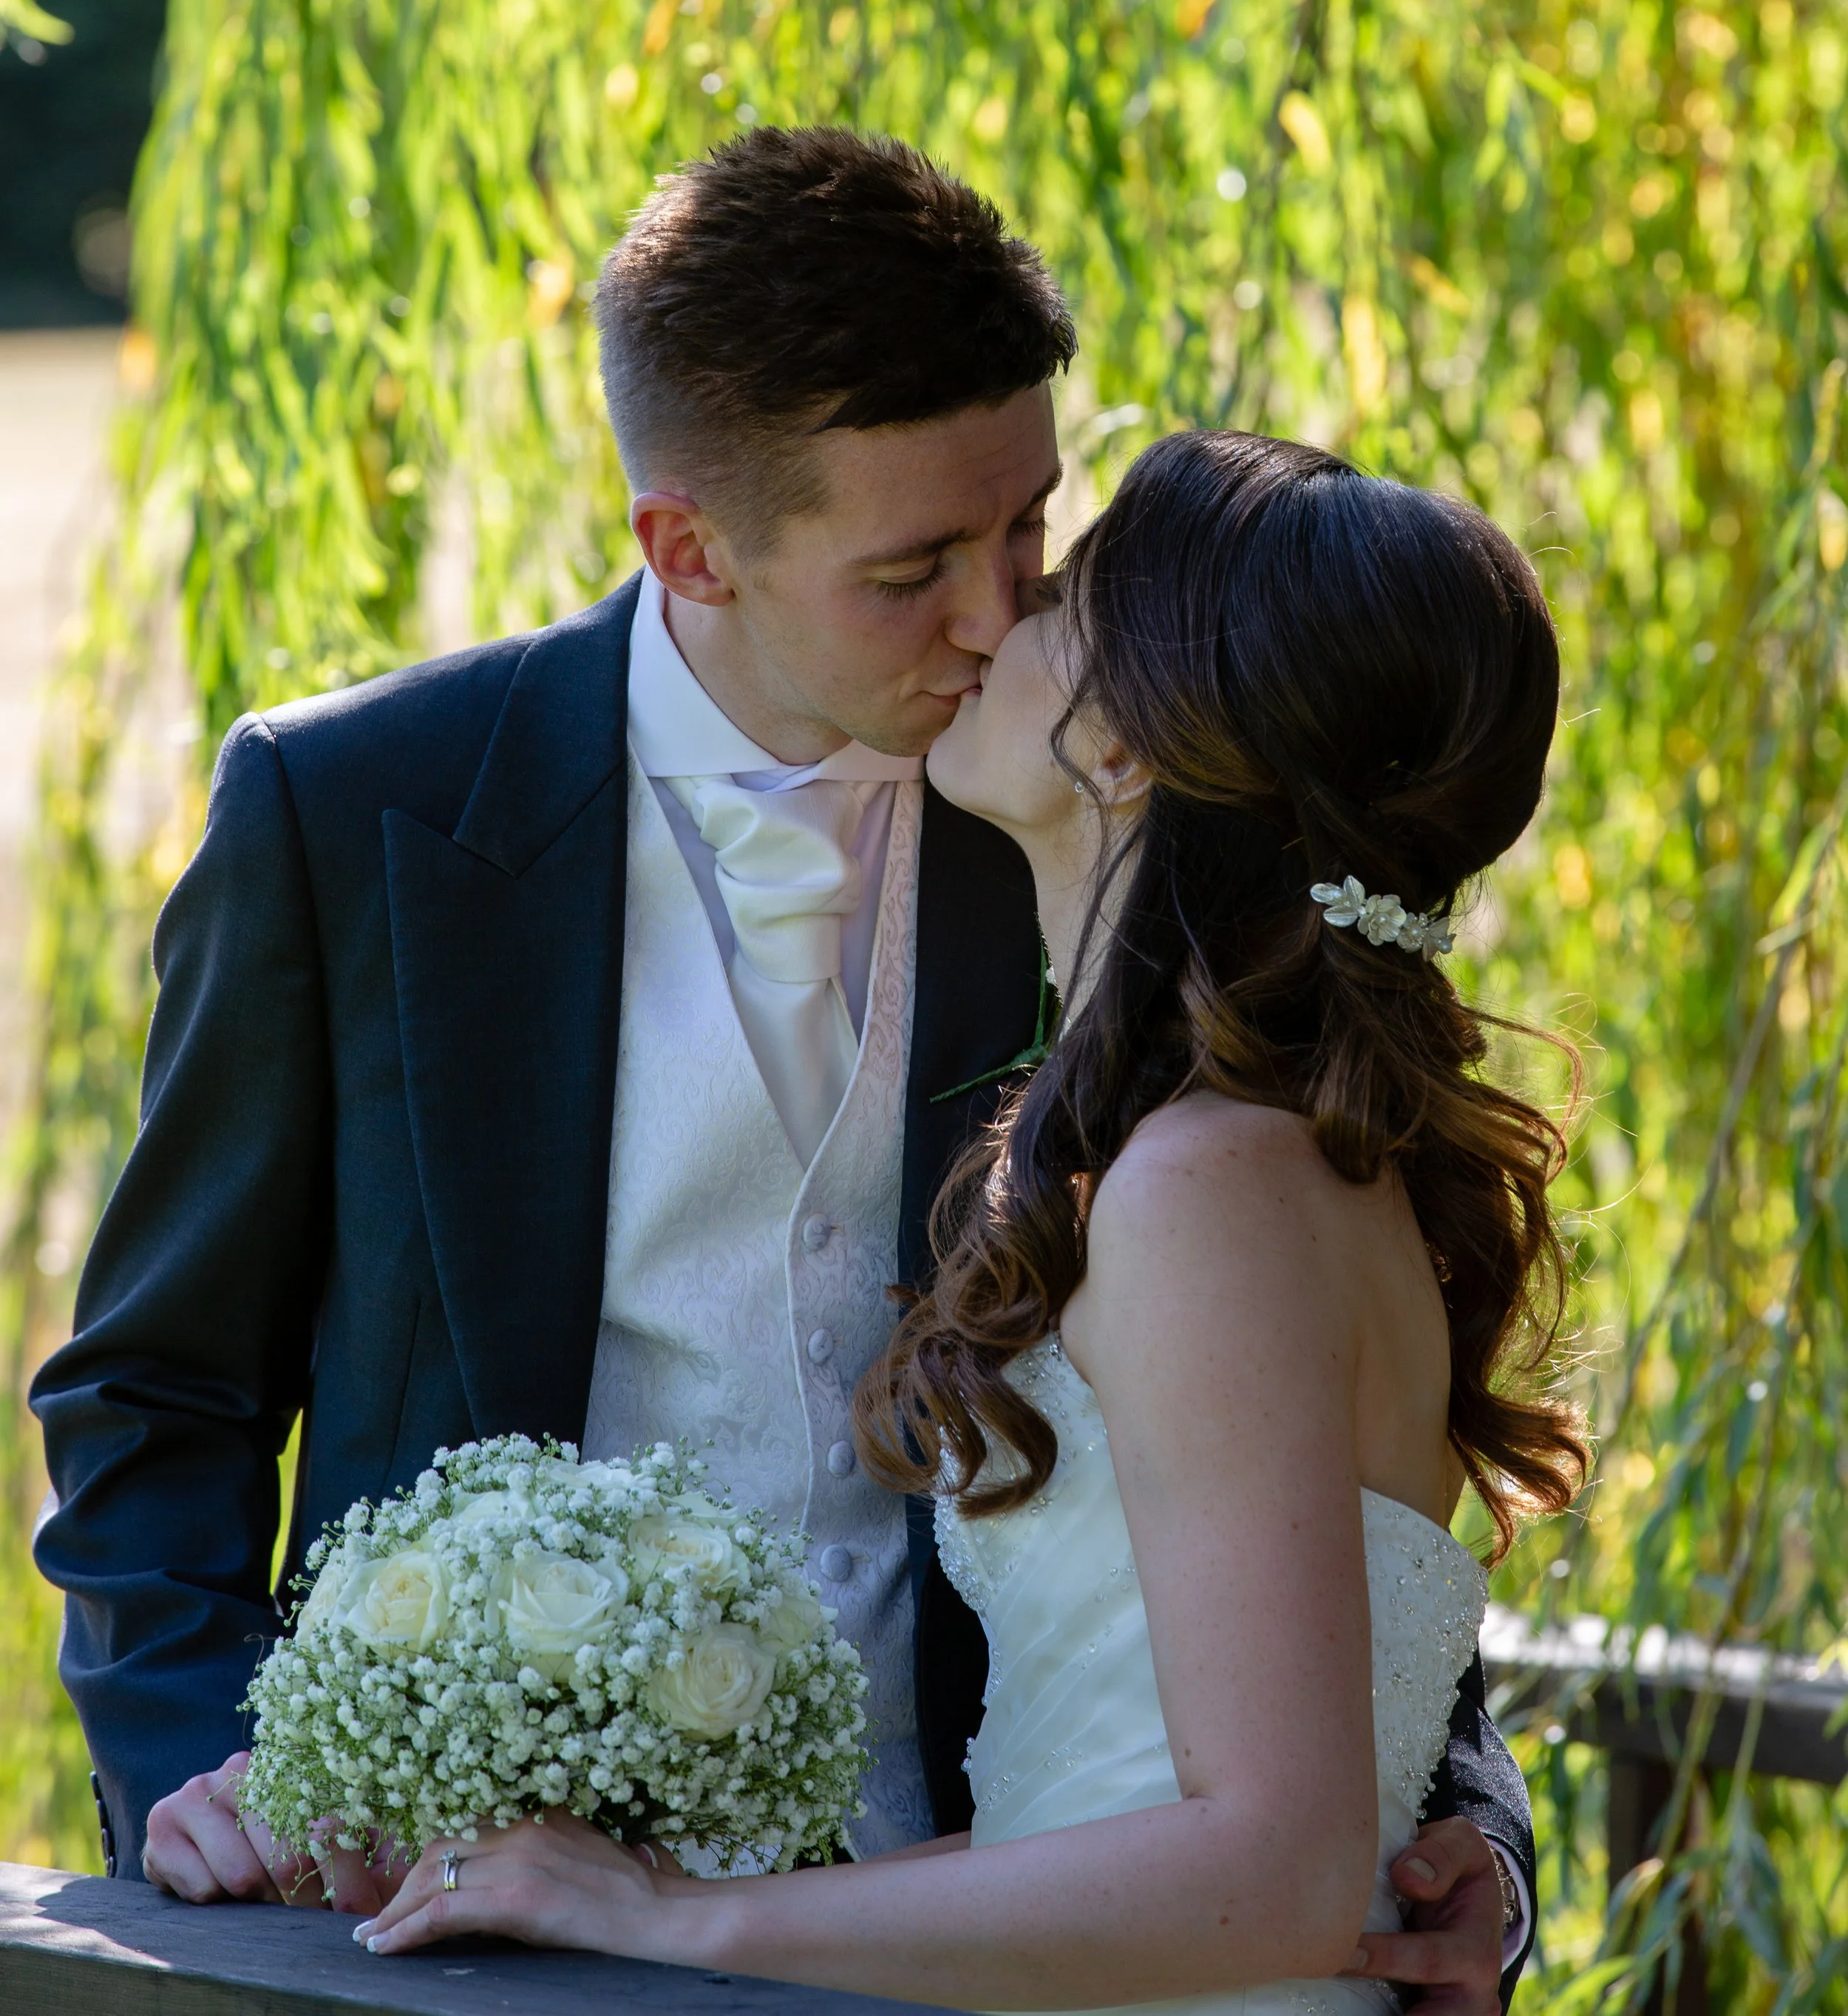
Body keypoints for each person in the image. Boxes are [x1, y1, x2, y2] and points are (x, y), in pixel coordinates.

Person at [32, 133, 1533, 2009]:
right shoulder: (356, 818)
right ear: (691, 548)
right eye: (914, 568)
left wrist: (1455, 1822)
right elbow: (154, 1395)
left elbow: (1298, 1474)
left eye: (1028, 529)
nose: (997, 614)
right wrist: (213, 1778)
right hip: (474, 1945)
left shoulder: (1093, 811)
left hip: (1025, 1931)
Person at [354, 429, 1586, 2009]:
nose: (997, 620)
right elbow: (1090, 1813)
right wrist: (648, 1896)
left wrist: (675, 1923)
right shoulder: (1256, 1159)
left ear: (1127, 744)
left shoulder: (1207, 1190)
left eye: (1061, 591)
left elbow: (1271, 1872)